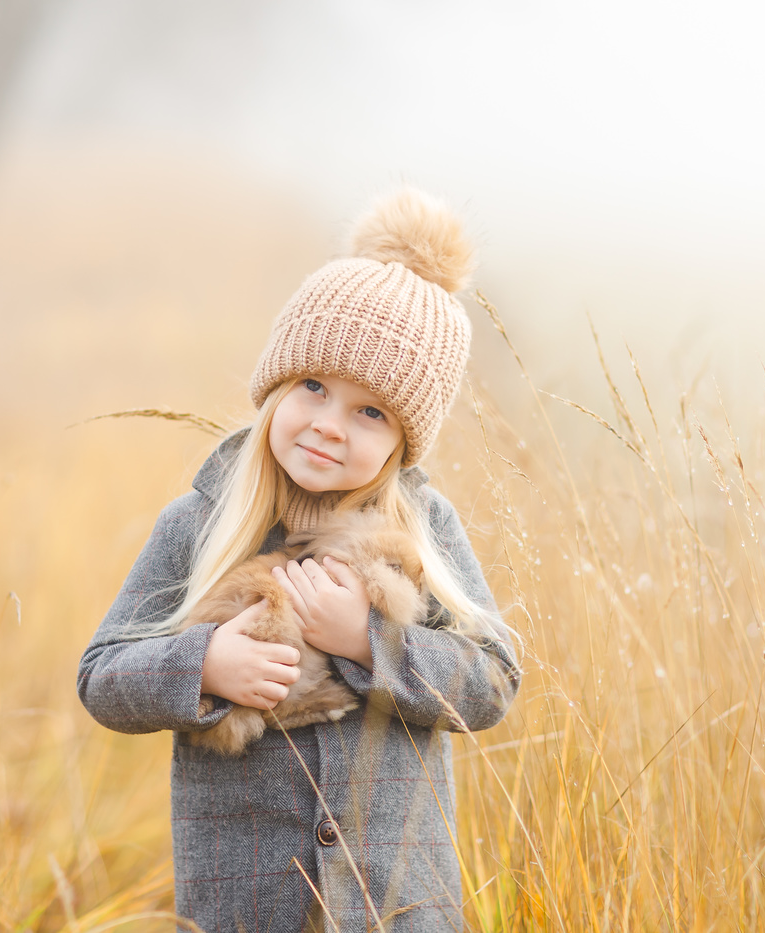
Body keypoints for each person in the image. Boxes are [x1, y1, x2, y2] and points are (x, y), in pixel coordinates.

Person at [77, 187, 521, 932]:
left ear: (403, 439)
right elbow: (101, 675)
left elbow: (493, 680)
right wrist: (204, 664)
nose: (327, 424)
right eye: (312, 386)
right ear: (276, 386)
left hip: (395, 907)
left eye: (370, 411)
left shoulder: (423, 528)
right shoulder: (200, 524)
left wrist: (367, 640)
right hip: (250, 909)